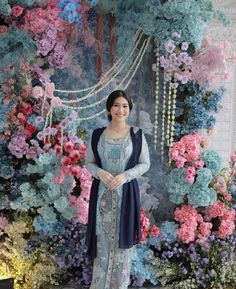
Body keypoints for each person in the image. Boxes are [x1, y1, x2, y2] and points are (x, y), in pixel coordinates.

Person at [85, 90, 150, 289]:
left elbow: (145, 163)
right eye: (116, 105)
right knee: (102, 244)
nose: (120, 110)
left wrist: (125, 176)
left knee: (123, 248)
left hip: (126, 197)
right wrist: (100, 173)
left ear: (129, 110)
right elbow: (89, 163)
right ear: (109, 108)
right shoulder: (96, 135)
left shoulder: (137, 135)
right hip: (102, 198)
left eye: (125, 106)